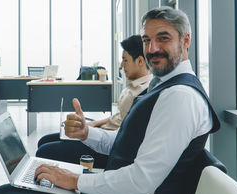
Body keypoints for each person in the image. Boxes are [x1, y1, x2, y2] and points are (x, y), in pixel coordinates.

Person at [0, 7, 220, 194]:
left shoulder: (180, 98)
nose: (153, 48)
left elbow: (142, 181)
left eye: (163, 38)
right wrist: (87, 133)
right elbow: (129, 145)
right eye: (147, 40)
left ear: (186, 40)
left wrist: (75, 180)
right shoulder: (166, 87)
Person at [36, 34, 153, 169]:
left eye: (125, 60)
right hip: (100, 132)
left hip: (106, 147)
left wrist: (90, 132)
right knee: (44, 140)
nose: (121, 64)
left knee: (44, 150)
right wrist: (93, 124)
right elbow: (118, 117)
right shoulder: (132, 87)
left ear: (140, 61)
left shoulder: (143, 93)